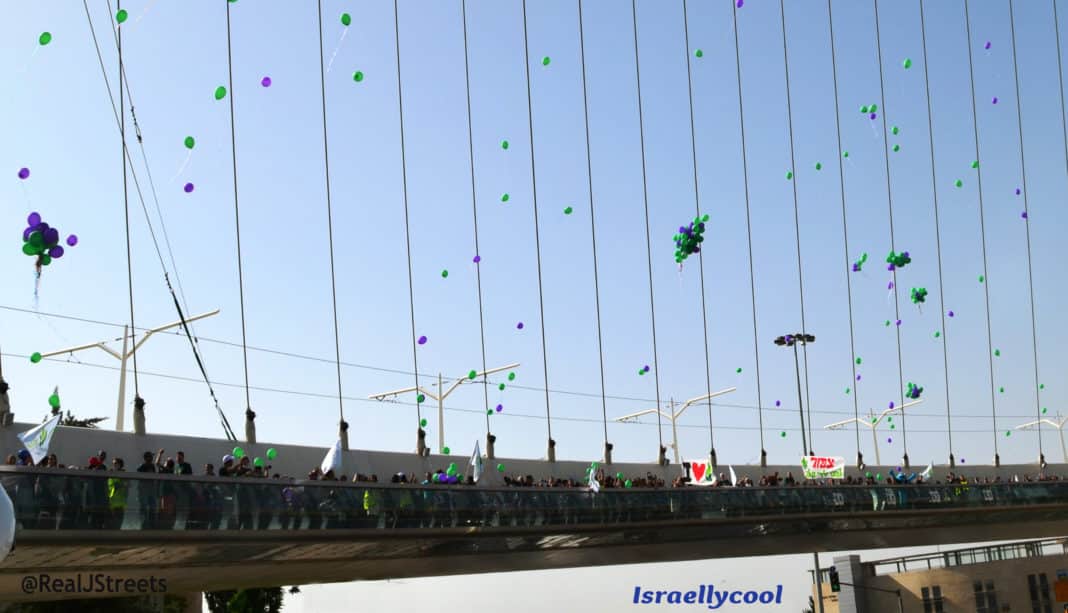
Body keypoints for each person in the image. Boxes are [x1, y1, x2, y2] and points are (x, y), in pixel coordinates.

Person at [108, 458, 128, 529]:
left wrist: (120, 483)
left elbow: (127, 485)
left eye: (116, 463)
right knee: (111, 522)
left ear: (120, 465)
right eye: (113, 463)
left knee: (118, 522)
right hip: (112, 502)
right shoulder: (110, 473)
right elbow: (110, 486)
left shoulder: (124, 474)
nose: (114, 465)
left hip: (120, 503)